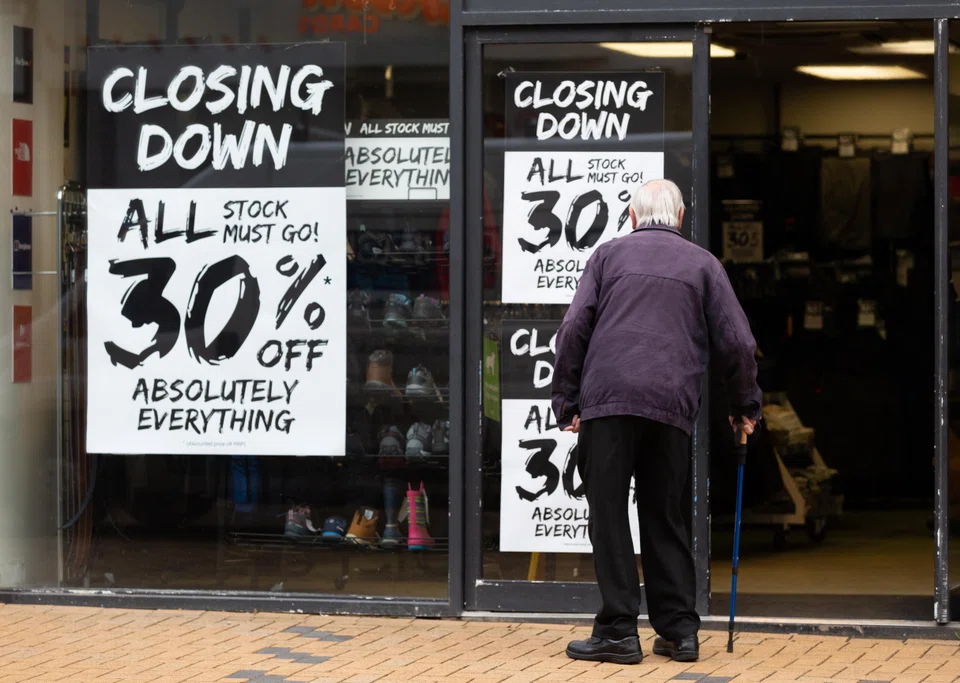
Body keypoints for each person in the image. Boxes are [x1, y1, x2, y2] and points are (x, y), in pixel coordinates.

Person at [552, 179, 761, 665]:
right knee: (665, 516)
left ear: (631, 216)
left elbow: (573, 328)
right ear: (681, 218)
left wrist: (566, 400)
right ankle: (679, 633)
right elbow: (738, 342)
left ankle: (618, 632)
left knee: (608, 515)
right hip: (671, 406)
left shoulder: (607, 257)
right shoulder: (704, 264)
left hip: (608, 402)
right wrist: (744, 405)